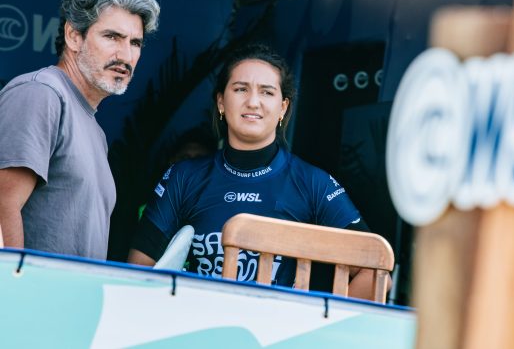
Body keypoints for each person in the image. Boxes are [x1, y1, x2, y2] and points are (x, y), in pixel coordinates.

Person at [129, 43, 387, 299]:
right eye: (240, 89)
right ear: (220, 101)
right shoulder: (183, 177)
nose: (253, 102)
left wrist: (315, 328)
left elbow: (376, 272)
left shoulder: (313, 183)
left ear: (283, 108)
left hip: (273, 337)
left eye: (266, 92)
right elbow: (138, 268)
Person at [0, 0, 160, 259]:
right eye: (112, 36)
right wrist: (14, 294)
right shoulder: (41, 94)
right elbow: (1, 208)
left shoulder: (93, 127)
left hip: (72, 302)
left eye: (135, 43)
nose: (125, 55)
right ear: (73, 36)